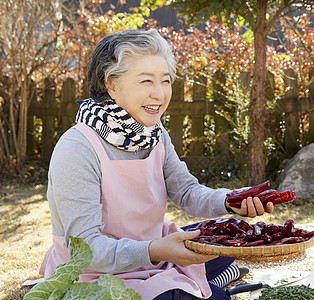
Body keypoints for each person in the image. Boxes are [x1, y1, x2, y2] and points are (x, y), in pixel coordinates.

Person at [38, 29, 274, 300]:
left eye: (165, 81)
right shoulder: (78, 148)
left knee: (228, 238)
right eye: (146, 81)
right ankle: (205, 284)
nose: (160, 94)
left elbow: (185, 192)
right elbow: (87, 251)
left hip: (153, 248)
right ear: (111, 84)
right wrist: (155, 251)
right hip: (97, 274)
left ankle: (207, 278)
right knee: (215, 296)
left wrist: (232, 200)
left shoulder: (154, 133)